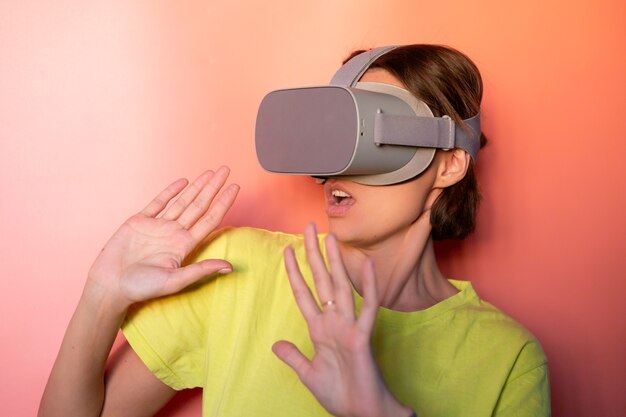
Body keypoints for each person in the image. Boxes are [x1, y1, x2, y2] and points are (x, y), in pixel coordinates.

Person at [39, 44, 550, 417]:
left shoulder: (507, 359)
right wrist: (101, 295)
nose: (337, 166)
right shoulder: (233, 269)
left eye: (367, 134)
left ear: (449, 164)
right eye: (328, 133)